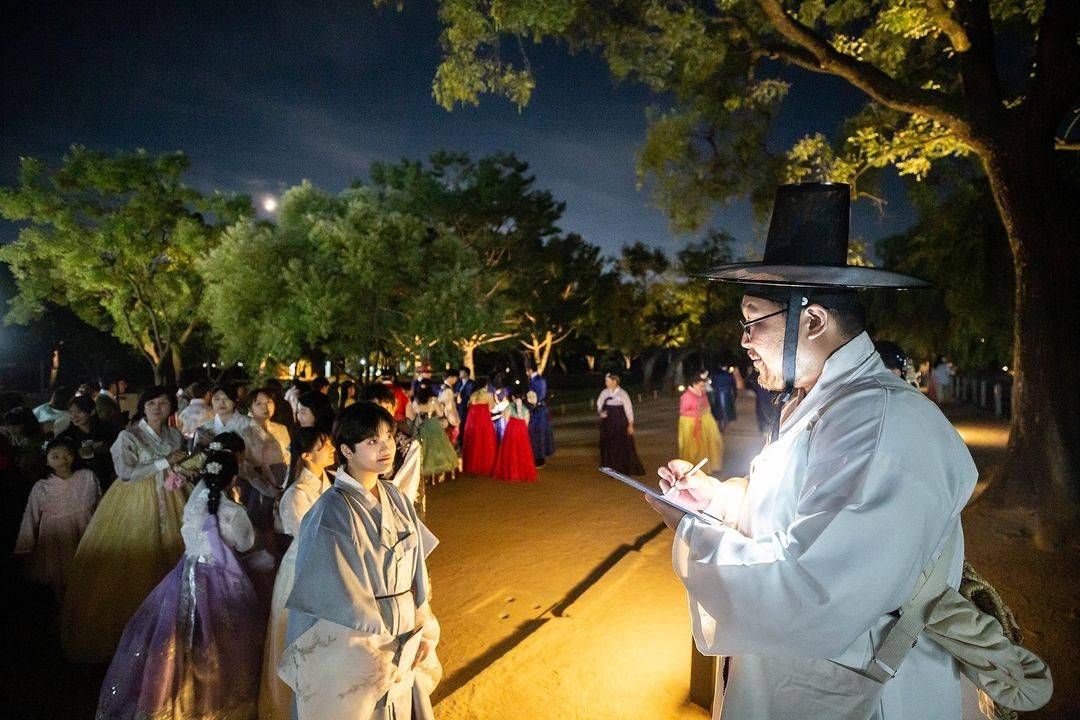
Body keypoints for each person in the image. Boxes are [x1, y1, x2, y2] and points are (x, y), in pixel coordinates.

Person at [646, 182, 978, 719]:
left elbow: (810, 593)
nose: (745, 340)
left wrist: (691, 531)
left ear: (814, 321)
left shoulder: (880, 423)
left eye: (754, 320)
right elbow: (799, 511)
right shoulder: (828, 405)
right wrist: (716, 499)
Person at [279, 402, 441, 719]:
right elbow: (337, 598)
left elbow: (417, 572)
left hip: (407, 633)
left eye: (389, 438)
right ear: (347, 451)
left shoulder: (395, 497)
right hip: (359, 647)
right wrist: (379, 652)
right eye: (372, 441)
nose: (386, 448)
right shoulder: (330, 511)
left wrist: (424, 629)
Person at [97, 446, 261, 720]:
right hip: (220, 578)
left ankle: (170, 698)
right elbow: (245, 543)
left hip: (186, 573)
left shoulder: (193, 505)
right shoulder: (233, 511)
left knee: (177, 635)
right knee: (220, 640)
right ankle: (211, 702)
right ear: (233, 479)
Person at [60, 386, 188, 663]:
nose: (157, 408)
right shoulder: (128, 435)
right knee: (135, 557)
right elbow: (126, 472)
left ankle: (171, 628)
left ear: (171, 409)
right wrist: (165, 462)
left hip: (171, 495)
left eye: (163, 404)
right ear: (143, 406)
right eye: (152, 403)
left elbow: (178, 464)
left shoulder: (174, 434)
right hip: (135, 499)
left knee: (174, 553)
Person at [260, 427, 335, 720]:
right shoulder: (296, 494)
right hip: (303, 570)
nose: (331, 449)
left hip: (332, 566)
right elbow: (309, 537)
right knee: (298, 637)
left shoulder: (333, 484)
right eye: (324, 445)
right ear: (306, 455)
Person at [15, 437, 100, 600]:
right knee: (60, 575)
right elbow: (31, 516)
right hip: (57, 539)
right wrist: (25, 544)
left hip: (85, 532)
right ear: (46, 461)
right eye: (55, 456)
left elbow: (99, 504)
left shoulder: (87, 477)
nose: (62, 459)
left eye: (67, 454)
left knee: (86, 573)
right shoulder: (42, 487)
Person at [363, 383, 424, 508]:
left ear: (394, 408)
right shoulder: (356, 441)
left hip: (394, 511)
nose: (380, 416)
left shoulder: (408, 446)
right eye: (374, 409)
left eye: (386, 409)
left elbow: (407, 489)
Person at [55, 395, 118, 491]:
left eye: (79, 412)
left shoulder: (107, 431)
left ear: (92, 412)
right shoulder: (66, 436)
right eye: (71, 412)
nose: (74, 416)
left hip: (107, 479)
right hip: (79, 483)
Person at [596, 373, 645, 475]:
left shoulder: (623, 393)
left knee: (621, 443)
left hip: (620, 421)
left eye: (607, 381)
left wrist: (630, 424)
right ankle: (610, 466)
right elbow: (599, 403)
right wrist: (601, 412)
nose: (606, 383)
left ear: (614, 381)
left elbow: (628, 409)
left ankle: (622, 466)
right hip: (608, 422)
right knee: (608, 443)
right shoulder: (604, 392)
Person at [408, 382, 458, 482]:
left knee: (425, 449)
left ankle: (426, 475)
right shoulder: (434, 400)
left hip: (422, 426)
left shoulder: (415, 402)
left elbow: (413, 415)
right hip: (434, 425)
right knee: (440, 447)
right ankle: (440, 472)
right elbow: (440, 413)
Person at [678, 373, 724, 476]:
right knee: (693, 447)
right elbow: (683, 412)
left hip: (704, 422)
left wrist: (704, 411)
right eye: (701, 385)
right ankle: (692, 468)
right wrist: (696, 413)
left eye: (703, 386)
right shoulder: (686, 396)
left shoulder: (702, 393)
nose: (703, 388)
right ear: (694, 384)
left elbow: (706, 405)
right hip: (690, 424)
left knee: (711, 443)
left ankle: (710, 466)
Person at [492, 388, 537, 483]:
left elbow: (505, 418)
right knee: (523, 450)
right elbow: (526, 421)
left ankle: (512, 472)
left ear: (512, 397)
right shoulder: (525, 408)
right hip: (521, 429)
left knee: (511, 450)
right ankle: (523, 472)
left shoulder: (510, 406)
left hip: (512, 428)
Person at [461, 379, 497, 476]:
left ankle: (472, 465)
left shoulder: (473, 395)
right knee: (485, 441)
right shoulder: (488, 395)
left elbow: (469, 406)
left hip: (472, 421)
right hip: (484, 420)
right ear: (485, 385)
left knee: (474, 442)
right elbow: (492, 408)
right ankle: (486, 465)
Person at [526, 366, 555, 467]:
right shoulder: (534, 380)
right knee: (534, 434)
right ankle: (536, 457)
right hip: (535, 410)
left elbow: (540, 396)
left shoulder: (539, 380)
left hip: (539, 410)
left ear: (529, 370)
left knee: (538, 433)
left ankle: (540, 458)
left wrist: (534, 402)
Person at [437, 369, 462, 445]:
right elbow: (450, 409)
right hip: (449, 421)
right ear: (451, 377)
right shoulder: (448, 390)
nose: (456, 380)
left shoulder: (442, 388)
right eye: (455, 378)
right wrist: (456, 422)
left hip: (442, 419)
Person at [454, 367, 474, 442]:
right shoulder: (458, 383)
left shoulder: (471, 383)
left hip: (466, 406)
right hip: (457, 406)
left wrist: (461, 396)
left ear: (466, 373)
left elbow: (470, 395)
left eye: (461, 372)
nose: (460, 374)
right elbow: (455, 391)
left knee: (464, 423)